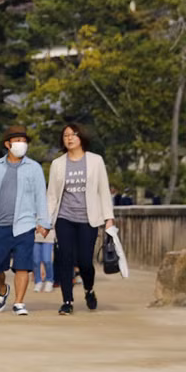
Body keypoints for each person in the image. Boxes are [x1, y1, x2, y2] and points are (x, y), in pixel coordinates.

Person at [0, 125, 50, 316]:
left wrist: (44, 221)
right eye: (17, 140)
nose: (21, 144)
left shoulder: (34, 168)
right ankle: (3, 289)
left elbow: (40, 196)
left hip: (24, 225)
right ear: (7, 144)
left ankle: (19, 302)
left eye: (24, 141)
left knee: (23, 265)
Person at [46, 122, 115, 315]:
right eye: (66, 135)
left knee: (85, 261)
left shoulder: (95, 161)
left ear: (81, 137)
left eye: (73, 134)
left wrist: (109, 218)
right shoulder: (57, 164)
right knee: (65, 260)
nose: (69, 138)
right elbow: (52, 195)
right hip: (64, 218)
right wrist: (45, 221)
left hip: (88, 219)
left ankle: (89, 289)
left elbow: (103, 190)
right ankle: (67, 301)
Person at [33, 227, 55, 292]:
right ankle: (38, 281)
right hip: (35, 236)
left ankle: (49, 281)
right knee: (36, 261)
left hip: (48, 236)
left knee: (47, 260)